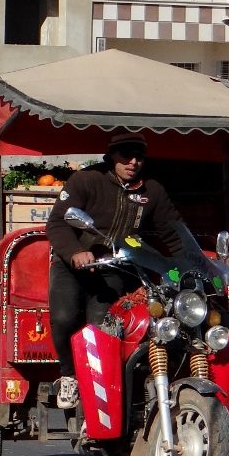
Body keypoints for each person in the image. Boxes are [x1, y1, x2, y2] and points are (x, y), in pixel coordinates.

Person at [45, 131, 181, 409]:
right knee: (64, 316)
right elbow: (57, 223)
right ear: (111, 156)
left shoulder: (152, 190)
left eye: (139, 156)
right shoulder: (86, 179)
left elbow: (172, 231)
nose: (133, 162)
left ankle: (100, 383)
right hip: (74, 265)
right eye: (126, 155)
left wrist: (189, 262)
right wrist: (74, 252)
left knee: (104, 326)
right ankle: (69, 374)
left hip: (115, 268)